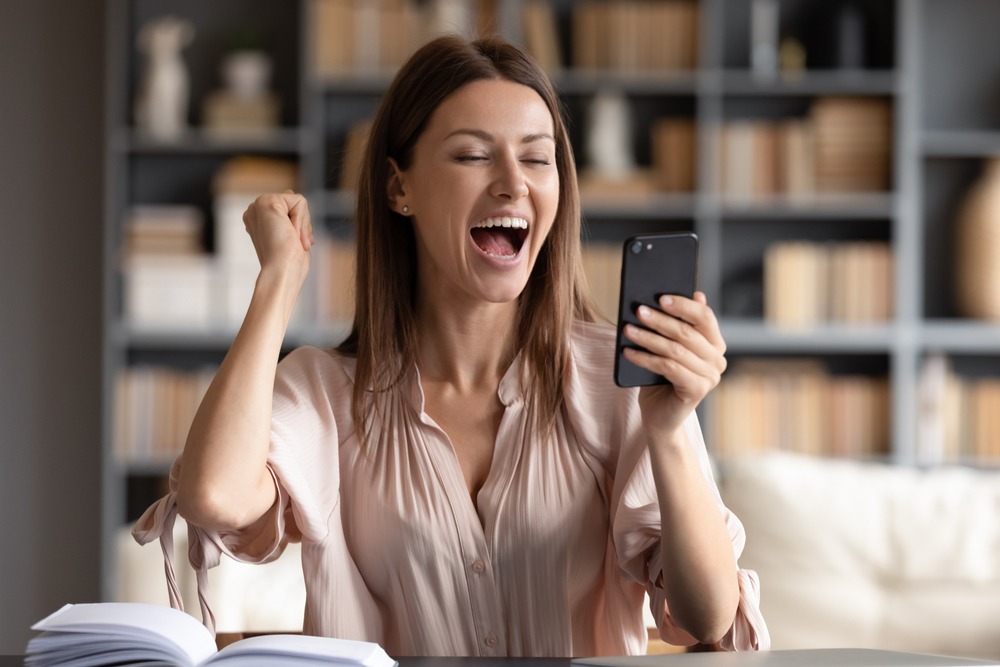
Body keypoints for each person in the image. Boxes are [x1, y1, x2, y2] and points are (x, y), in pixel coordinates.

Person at [133, 34, 770, 657]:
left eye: (537, 157)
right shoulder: (324, 393)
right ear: (398, 189)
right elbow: (214, 498)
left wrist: (667, 428)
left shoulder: (619, 380)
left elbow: (707, 618)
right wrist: (277, 282)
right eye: (472, 156)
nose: (513, 183)